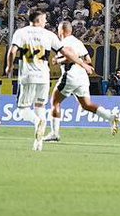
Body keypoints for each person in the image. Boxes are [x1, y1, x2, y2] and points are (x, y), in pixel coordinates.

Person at [5, 10, 93, 152]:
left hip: (27, 76)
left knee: (23, 109)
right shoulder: (49, 35)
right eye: (44, 19)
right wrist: (83, 64)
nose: (46, 22)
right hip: (44, 77)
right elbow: (67, 53)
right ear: (38, 20)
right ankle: (38, 143)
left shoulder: (20, 33)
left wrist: (9, 67)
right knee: (40, 106)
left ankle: (36, 121)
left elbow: (12, 51)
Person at [44, 20, 120, 142]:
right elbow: (88, 59)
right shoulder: (77, 41)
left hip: (71, 75)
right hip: (82, 77)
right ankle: (110, 117)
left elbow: (70, 56)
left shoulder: (64, 42)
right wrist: (82, 64)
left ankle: (54, 133)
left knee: (55, 102)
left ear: (61, 31)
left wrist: (58, 61)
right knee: (86, 105)